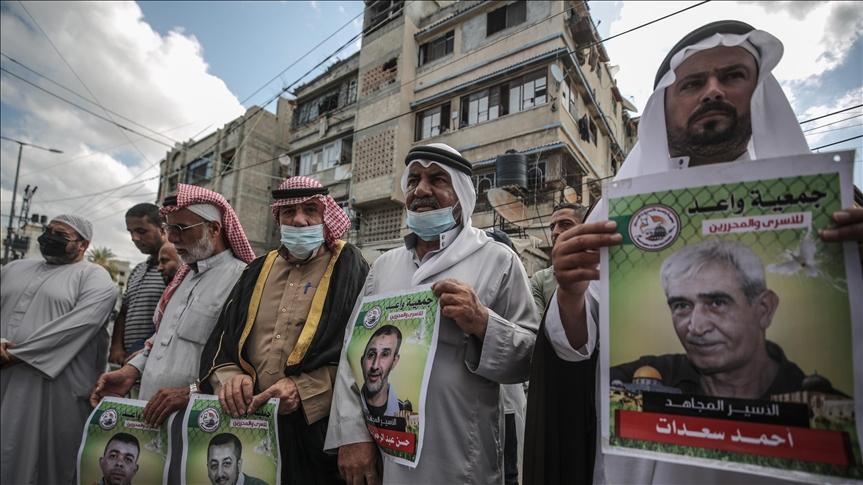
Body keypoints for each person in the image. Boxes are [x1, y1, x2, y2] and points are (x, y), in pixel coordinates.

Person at [524, 20, 863, 485]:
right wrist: (570, 292)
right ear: (667, 103)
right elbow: (580, 351)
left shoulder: (830, 208)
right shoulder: (614, 215)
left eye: (732, 76)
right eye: (694, 83)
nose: (713, 91)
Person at [326, 143, 538, 485]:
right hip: (390, 453)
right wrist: (353, 435)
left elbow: (531, 356)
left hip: (462, 455)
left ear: (461, 193)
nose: (421, 190)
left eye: (437, 179)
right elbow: (353, 357)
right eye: (413, 180)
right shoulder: (384, 266)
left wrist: (483, 323)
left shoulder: (497, 260)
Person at [199, 176, 369, 485]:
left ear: (325, 215)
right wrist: (230, 380)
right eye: (288, 211)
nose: (300, 220)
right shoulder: (257, 269)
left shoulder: (348, 265)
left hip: (316, 432)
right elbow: (222, 339)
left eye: (310, 210)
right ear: (277, 217)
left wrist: (303, 389)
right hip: (248, 424)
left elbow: (361, 348)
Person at [90, 183, 255, 425]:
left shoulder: (243, 279)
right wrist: (131, 371)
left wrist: (190, 392)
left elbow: (245, 365)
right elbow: (162, 339)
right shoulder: (184, 277)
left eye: (181, 228)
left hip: (198, 421)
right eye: (169, 228)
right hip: (151, 412)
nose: (172, 237)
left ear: (214, 228)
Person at [610, 239, 814, 398]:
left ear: (764, 309)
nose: (696, 327)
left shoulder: (815, 399)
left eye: (717, 303)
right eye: (682, 305)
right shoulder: (652, 376)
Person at [1, 215, 117, 485]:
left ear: (83, 244)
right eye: (48, 231)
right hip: (5, 378)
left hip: (56, 388)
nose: (49, 237)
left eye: (60, 234)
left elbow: (79, 325)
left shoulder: (95, 277)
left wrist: (15, 354)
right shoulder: (14, 267)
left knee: (51, 462)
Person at [109, 203, 168, 365]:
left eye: (141, 231)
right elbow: (124, 312)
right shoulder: (138, 270)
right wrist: (116, 346)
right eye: (131, 232)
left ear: (163, 229)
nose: (134, 238)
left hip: (157, 359)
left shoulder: (177, 269)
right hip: (129, 360)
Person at [530, 203, 586, 317]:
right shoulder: (540, 280)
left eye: (565, 224)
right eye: (552, 227)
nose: (555, 232)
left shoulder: (604, 270)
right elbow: (537, 328)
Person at [360, 325, 411, 419]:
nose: (375, 366)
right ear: (362, 361)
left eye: (384, 354)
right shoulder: (347, 404)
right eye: (371, 355)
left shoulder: (405, 413)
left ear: (394, 361)